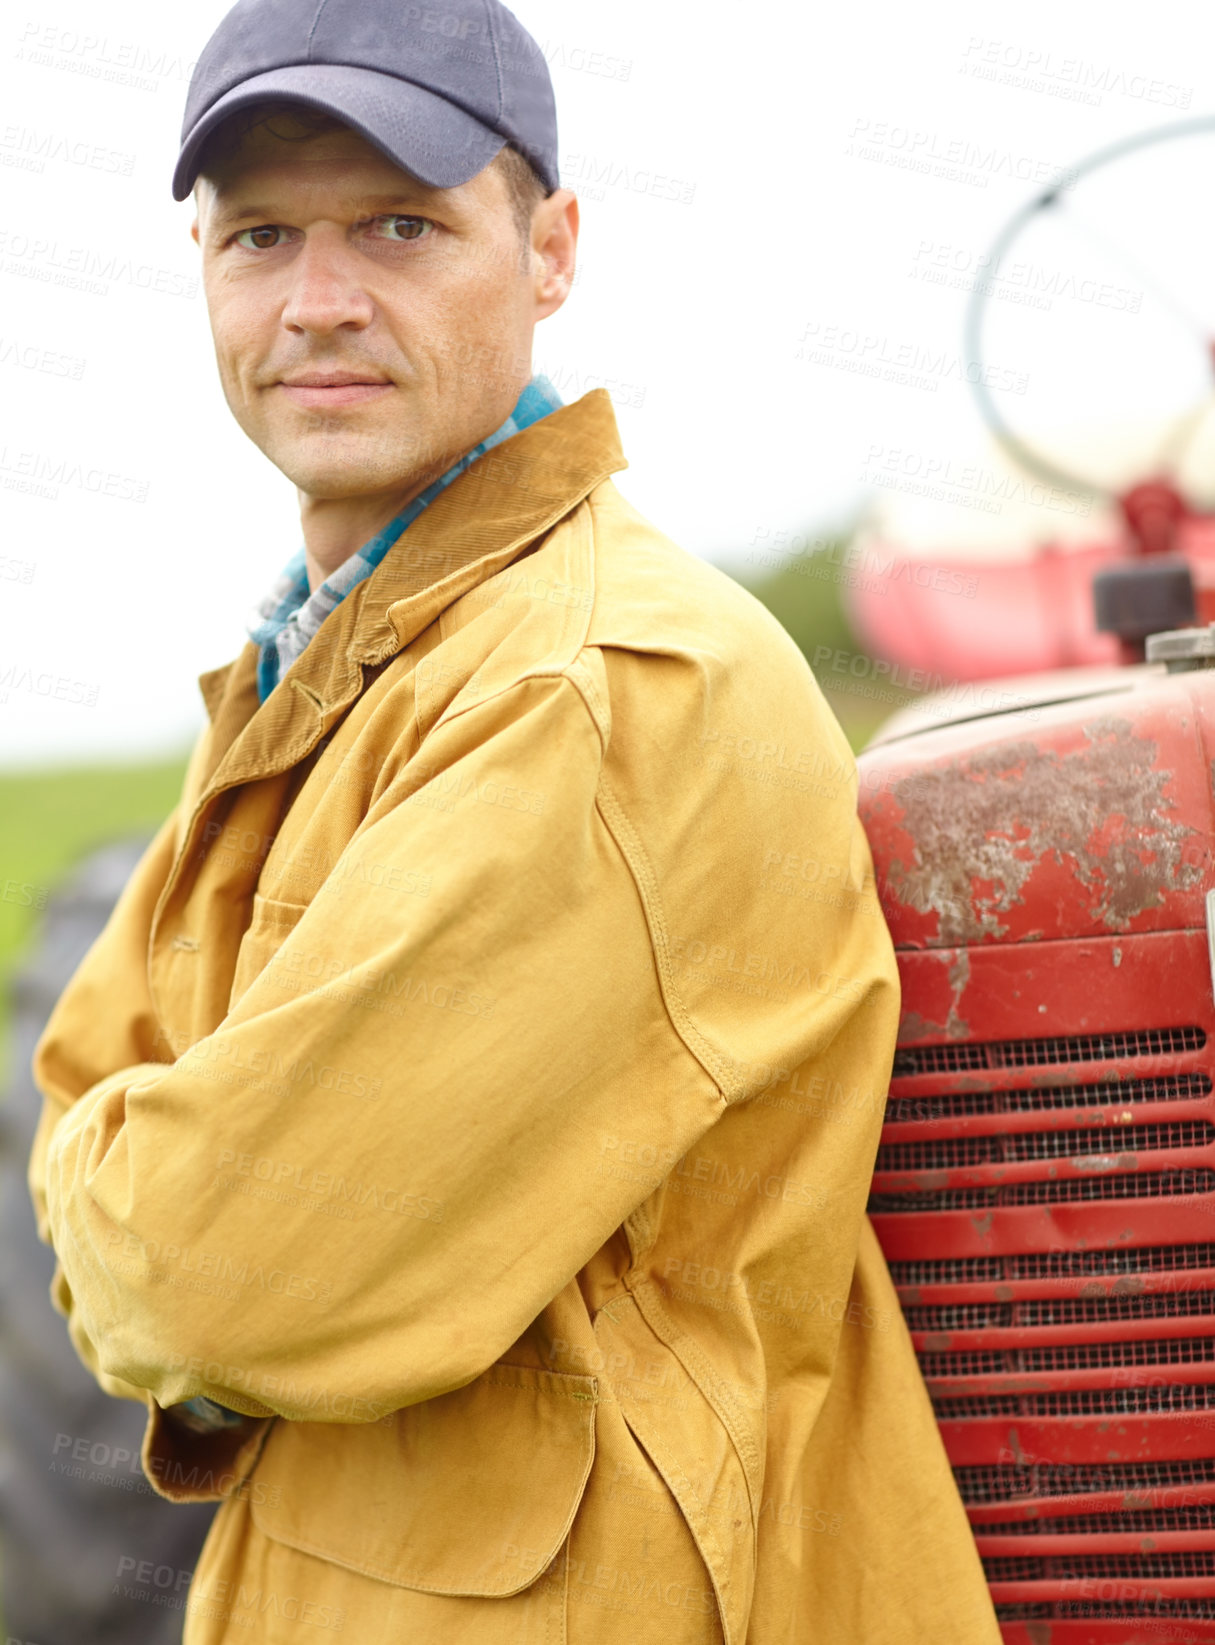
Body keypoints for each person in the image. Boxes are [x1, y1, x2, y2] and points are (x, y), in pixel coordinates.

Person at [27, 0, 1003, 1640]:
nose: (320, 303)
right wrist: (140, 1176)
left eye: (402, 225)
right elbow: (86, 1085)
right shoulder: (329, 660)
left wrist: (134, 1181)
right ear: (200, 260)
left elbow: (212, 1269)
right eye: (262, 234)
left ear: (550, 249)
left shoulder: (596, 688)